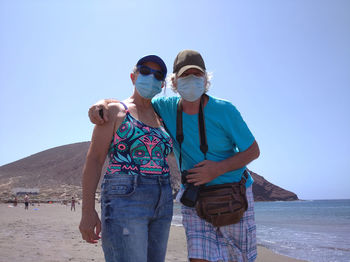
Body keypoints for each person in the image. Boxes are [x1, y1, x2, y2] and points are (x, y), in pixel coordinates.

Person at [89, 50, 260, 262]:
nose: (191, 82)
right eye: (185, 77)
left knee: (241, 258)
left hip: (234, 193)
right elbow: (132, 103)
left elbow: (253, 150)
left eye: (197, 76)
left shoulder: (225, 110)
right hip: (195, 198)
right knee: (199, 258)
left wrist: (216, 169)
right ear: (174, 82)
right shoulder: (165, 108)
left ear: (205, 80)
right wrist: (102, 103)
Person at [79, 55, 173, 262]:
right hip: (126, 198)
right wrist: (87, 211)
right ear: (133, 76)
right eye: (145, 71)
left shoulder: (162, 117)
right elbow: (94, 160)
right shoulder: (115, 111)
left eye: (158, 75)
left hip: (164, 200)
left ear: (162, 85)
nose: (151, 77)